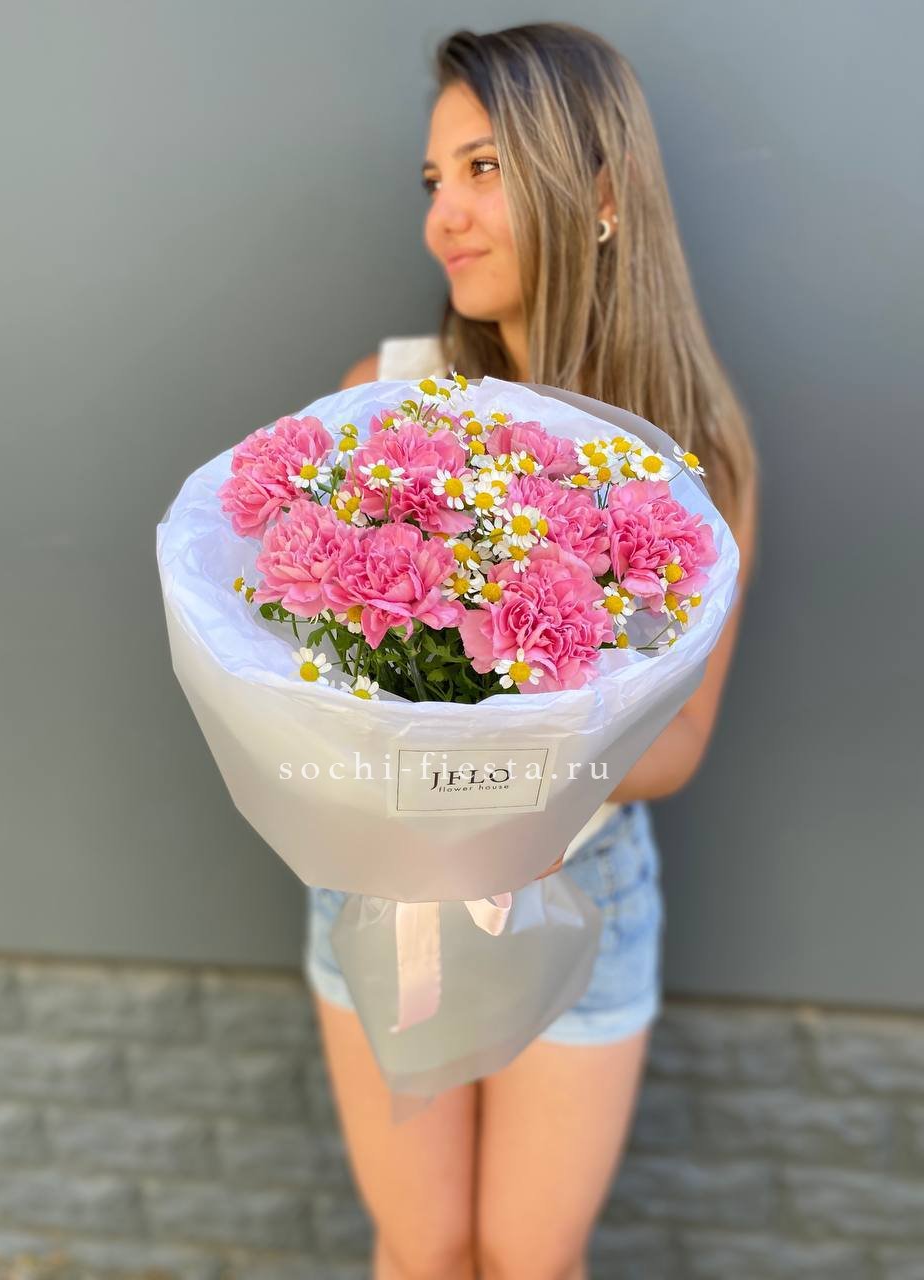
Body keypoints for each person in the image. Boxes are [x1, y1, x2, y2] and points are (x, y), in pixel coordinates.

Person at [303, 21, 760, 1280]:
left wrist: (519, 773)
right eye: (433, 179)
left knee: (527, 1254)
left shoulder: (696, 452)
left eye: (484, 168)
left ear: (601, 194)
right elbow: (307, 661)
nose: (442, 215)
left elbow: (681, 739)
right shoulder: (382, 398)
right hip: (389, 889)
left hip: (583, 889)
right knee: (427, 1246)